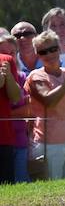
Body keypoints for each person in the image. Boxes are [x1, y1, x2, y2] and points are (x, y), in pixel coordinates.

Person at [24, 30, 65, 180]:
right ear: (38, 54)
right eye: (43, 51)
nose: (50, 55)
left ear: (59, 49)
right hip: (49, 144)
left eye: (53, 49)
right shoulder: (36, 76)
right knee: (52, 192)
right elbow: (49, 101)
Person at [0, 44, 21, 184]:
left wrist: (8, 78)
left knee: (6, 188)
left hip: (3, 138)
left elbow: (15, 97)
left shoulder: (6, 60)